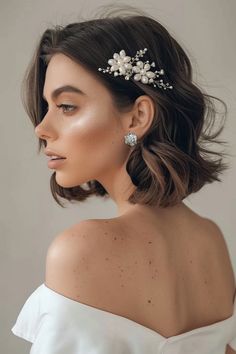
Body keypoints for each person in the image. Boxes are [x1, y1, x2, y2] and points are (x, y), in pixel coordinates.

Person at [11, 4, 236, 354]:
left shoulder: (80, 249)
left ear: (138, 117)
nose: (42, 128)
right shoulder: (212, 241)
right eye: (47, 107)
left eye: (67, 106)